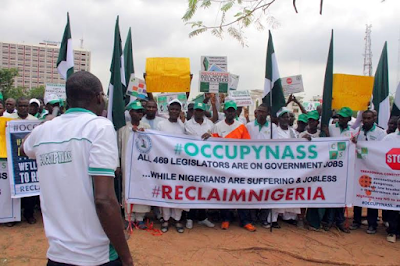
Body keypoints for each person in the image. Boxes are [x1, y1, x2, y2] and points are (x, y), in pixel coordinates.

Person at [22, 71, 133, 266]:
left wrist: (45, 124)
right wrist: (126, 257)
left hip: (57, 255)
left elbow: (23, 149)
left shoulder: (42, 131)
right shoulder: (99, 127)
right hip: (97, 256)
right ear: (98, 97)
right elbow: (104, 200)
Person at [212, 101, 256, 232]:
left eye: (233, 110)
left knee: (241, 193)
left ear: (236, 112)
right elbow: (213, 146)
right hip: (223, 166)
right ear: (224, 111)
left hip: (238, 166)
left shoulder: (241, 126)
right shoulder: (217, 126)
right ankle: (226, 219)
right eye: (228, 110)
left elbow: (246, 147)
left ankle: (245, 220)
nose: (230, 113)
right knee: (225, 193)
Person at [351, 109, 386, 234]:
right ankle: (356, 220)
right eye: (364, 118)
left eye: (369, 118)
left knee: (371, 196)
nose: (366, 121)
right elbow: (351, 143)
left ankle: (372, 223)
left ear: (374, 118)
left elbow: (382, 150)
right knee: (358, 194)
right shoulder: (357, 131)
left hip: (373, 169)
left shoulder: (381, 133)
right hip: (359, 168)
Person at [118, 101, 150, 230]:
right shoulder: (123, 129)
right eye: (137, 111)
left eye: (141, 111)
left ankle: (140, 218)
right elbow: (117, 149)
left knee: (142, 188)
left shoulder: (147, 127)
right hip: (127, 165)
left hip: (143, 164)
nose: (139, 113)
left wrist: (144, 133)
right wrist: (117, 165)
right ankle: (128, 218)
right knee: (127, 189)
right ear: (130, 112)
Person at [322, 107, 355, 233]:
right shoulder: (331, 128)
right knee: (331, 194)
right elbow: (329, 144)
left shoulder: (353, 131)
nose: (340, 119)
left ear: (349, 119)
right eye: (339, 116)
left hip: (344, 168)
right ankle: (329, 221)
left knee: (342, 195)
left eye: (343, 117)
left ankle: (340, 221)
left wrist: (354, 143)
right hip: (331, 166)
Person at [184, 102, 215, 229]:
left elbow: (215, 140)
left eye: (201, 110)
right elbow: (192, 139)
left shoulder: (210, 124)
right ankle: (190, 217)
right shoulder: (187, 124)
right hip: (192, 161)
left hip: (207, 162)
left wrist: (211, 136)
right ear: (193, 111)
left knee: (204, 188)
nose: (198, 112)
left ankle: (202, 217)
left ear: (204, 111)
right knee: (192, 189)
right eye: (196, 110)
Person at [156, 99, 186, 233]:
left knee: (178, 191)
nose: (174, 111)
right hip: (165, 164)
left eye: (177, 109)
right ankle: (166, 219)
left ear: (180, 111)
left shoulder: (183, 126)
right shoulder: (161, 124)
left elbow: (194, 138)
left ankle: (178, 219)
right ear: (168, 110)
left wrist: (184, 122)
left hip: (180, 165)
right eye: (172, 109)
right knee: (166, 191)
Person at [246, 104, 277, 229]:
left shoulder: (272, 127)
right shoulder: (248, 126)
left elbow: (276, 145)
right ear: (255, 112)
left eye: (263, 112)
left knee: (266, 191)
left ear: (267, 114)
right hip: (251, 165)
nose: (261, 114)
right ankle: (253, 218)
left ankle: (264, 218)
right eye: (259, 111)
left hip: (267, 166)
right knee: (252, 191)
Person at [272, 107, 301, 228]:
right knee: (276, 190)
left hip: (291, 166)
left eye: (288, 116)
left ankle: (288, 216)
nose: (287, 119)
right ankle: (273, 218)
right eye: (284, 117)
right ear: (279, 118)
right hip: (277, 166)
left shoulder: (293, 132)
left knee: (290, 190)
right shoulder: (274, 131)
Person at [299, 111, 325, 231]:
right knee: (303, 192)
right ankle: (301, 217)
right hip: (303, 169)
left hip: (318, 169)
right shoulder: (302, 134)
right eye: (309, 120)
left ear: (317, 122)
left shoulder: (321, 134)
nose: (311, 122)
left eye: (313, 120)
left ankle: (312, 219)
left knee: (314, 193)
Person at [383, 117, 400, 243]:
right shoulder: (389, 138)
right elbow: (377, 152)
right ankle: (392, 231)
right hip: (392, 179)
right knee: (394, 206)